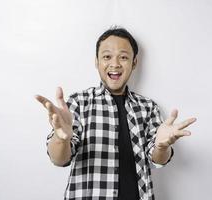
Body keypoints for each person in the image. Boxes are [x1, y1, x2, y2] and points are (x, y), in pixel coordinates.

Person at [35, 27, 197, 200]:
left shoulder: (148, 107)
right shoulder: (78, 103)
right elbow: (59, 160)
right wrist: (62, 139)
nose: (115, 64)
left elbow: (158, 160)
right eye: (107, 56)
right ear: (97, 61)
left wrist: (161, 147)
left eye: (123, 57)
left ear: (134, 63)